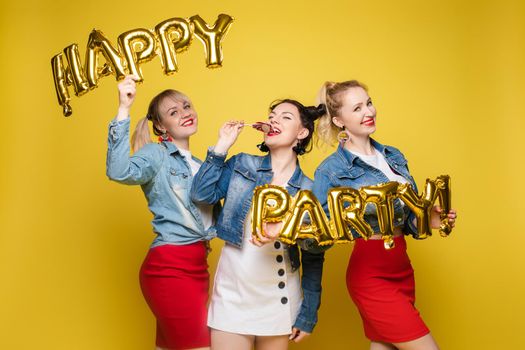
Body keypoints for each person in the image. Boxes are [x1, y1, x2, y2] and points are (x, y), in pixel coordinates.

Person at [312, 80, 457, 350]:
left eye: (368, 103)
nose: (368, 112)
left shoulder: (393, 156)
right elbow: (317, 228)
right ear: (339, 120)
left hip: (401, 266)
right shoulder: (330, 170)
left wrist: (430, 219)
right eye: (357, 108)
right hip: (371, 273)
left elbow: (410, 218)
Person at [190, 99, 326, 350]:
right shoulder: (242, 164)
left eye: (285, 117)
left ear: (302, 133)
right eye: (272, 116)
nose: (274, 119)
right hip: (233, 294)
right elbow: (201, 195)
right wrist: (222, 147)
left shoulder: (309, 189)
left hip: (279, 299)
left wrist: (308, 315)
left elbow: (313, 257)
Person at [106, 75, 216, 350]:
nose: (185, 114)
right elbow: (118, 171)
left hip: (198, 266)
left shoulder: (201, 165)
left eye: (187, 106)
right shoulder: (157, 155)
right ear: (160, 125)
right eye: (173, 112)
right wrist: (124, 109)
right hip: (170, 268)